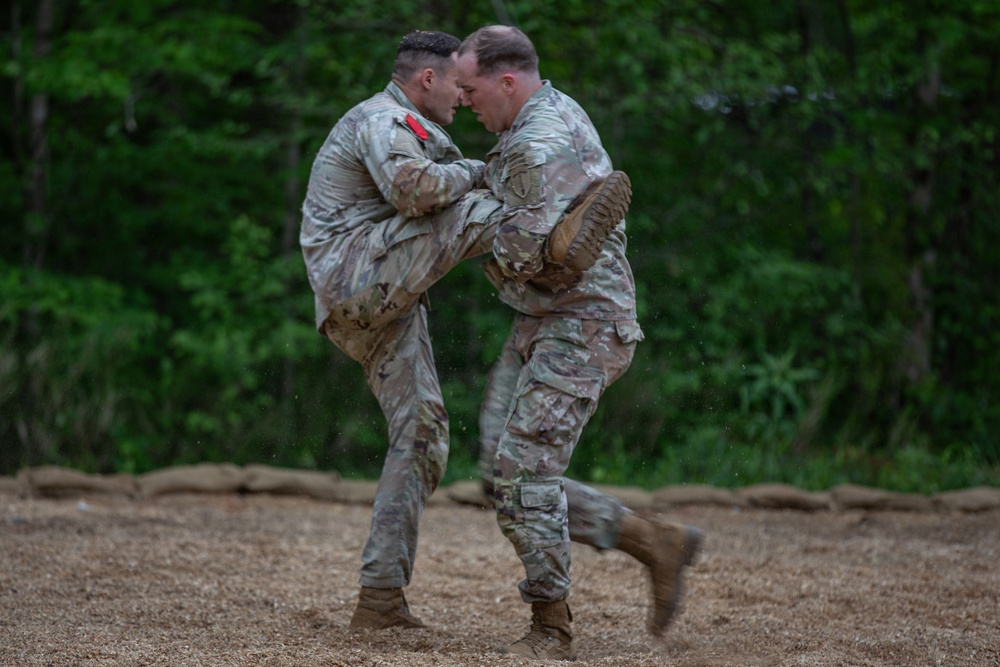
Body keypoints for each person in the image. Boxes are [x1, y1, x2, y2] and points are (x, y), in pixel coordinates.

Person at [300, 30, 629, 632]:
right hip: (360, 275)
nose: (465, 99)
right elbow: (412, 188)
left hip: (383, 294)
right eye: (459, 85)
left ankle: (380, 600)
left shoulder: (424, 126)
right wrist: (483, 173)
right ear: (429, 79)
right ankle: (551, 244)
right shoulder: (384, 118)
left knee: (422, 435)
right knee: (485, 206)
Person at [455, 25, 703, 660]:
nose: (463, 100)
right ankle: (654, 543)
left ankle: (551, 627)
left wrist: (460, 227)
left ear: (506, 81)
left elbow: (513, 250)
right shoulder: (552, 110)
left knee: (523, 473)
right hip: (545, 319)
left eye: (470, 87)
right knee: (497, 474)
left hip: (583, 325)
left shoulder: (535, 143)